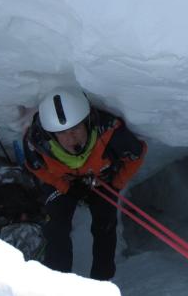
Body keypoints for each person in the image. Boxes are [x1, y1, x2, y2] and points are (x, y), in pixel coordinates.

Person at [22, 88, 147, 280]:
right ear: (51, 135)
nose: (71, 138)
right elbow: (36, 167)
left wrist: (116, 183)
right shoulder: (37, 143)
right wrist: (65, 187)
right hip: (64, 182)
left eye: (76, 129)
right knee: (56, 227)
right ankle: (57, 284)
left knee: (105, 225)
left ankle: (102, 282)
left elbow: (136, 155)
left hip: (102, 181)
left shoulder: (110, 133)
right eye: (62, 133)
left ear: (88, 123)